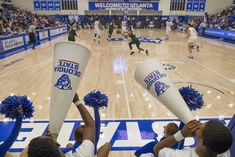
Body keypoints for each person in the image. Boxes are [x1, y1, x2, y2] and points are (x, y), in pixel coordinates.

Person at [20, 93, 97, 157]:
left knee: (69, 146)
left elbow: (26, 153)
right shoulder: (83, 155)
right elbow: (90, 125)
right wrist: (77, 101)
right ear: (58, 145)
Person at [146, 120, 233, 157]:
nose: (197, 127)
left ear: (202, 142)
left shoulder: (179, 155)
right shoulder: (224, 150)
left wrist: (181, 134)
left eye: (200, 128)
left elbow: (157, 148)